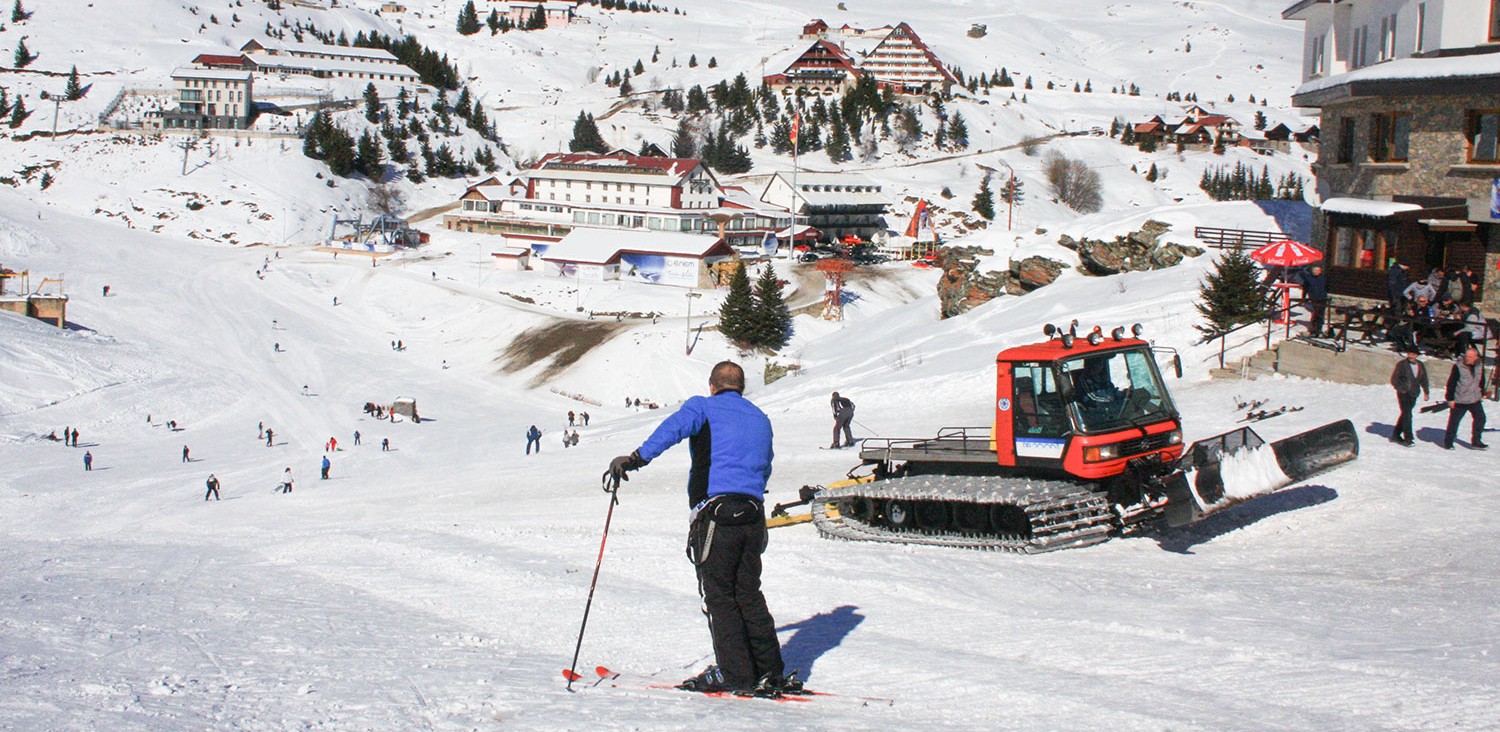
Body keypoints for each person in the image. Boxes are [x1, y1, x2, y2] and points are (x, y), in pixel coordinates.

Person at [605, 361, 792, 696]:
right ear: (742, 387)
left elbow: (670, 431)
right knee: (748, 593)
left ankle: (736, 674)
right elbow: (766, 465)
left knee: (719, 596)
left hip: (716, 514)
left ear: (712, 385)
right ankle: (770, 671)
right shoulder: (760, 418)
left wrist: (633, 460)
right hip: (753, 515)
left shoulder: (703, 407)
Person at [1442, 347, 1488, 450]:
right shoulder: (1458, 366)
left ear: (1476, 357)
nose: (1467, 358)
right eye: (1467, 356)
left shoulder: (1479, 366)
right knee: (1454, 421)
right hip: (1460, 399)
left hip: (1474, 398)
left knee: (1481, 418)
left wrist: (1482, 392)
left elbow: (1481, 380)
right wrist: (1450, 399)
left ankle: (1476, 441)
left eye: (1470, 357)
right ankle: (1448, 442)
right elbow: (1451, 383)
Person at [1388, 347, 1428, 446]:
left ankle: (1396, 435)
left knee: (1406, 414)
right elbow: (1394, 379)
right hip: (1403, 394)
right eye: (1409, 353)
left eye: (1413, 354)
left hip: (1414, 393)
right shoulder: (1401, 365)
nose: (1411, 355)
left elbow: (1424, 379)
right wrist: (1401, 389)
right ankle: (1408, 438)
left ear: (1416, 355)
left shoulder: (1420, 365)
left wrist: (1426, 392)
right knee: (1407, 415)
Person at [1297, 264, 1329, 337]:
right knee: (1316, 313)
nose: (1315, 272)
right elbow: (1304, 282)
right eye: (1314, 270)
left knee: (1320, 313)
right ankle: (1314, 329)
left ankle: (1318, 329)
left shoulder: (1323, 278)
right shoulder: (1310, 278)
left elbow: (1327, 286)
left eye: (1317, 271)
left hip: (1322, 298)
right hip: (1314, 298)